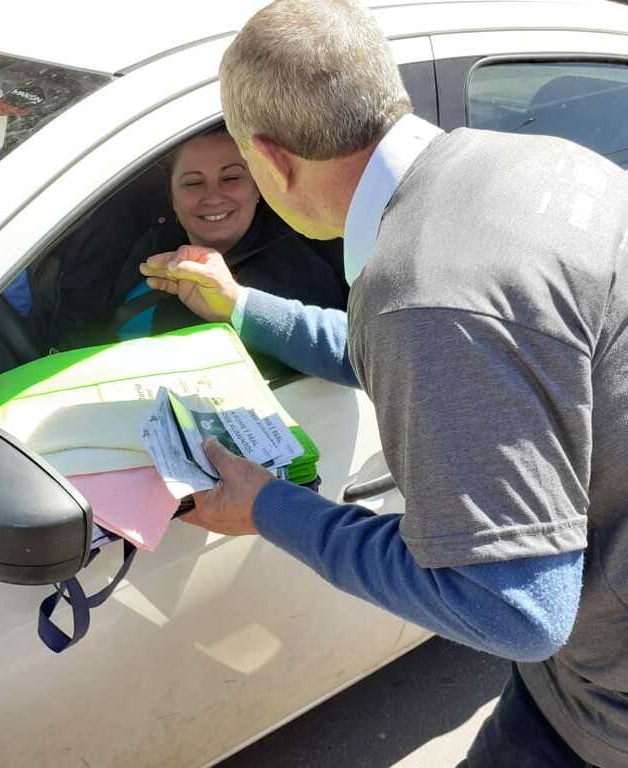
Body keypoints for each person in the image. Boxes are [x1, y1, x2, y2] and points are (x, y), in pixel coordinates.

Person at [140, 1, 628, 766]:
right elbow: (437, 345)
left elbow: (517, 611)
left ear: (272, 158)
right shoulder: (524, 162)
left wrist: (271, 508)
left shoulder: (420, 289)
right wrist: (245, 308)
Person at [108, 127, 347, 341]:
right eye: (193, 183)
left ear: (257, 189)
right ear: (173, 198)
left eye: (230, 178)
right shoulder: (150, 243)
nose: (213, 197)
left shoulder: (303, 282)